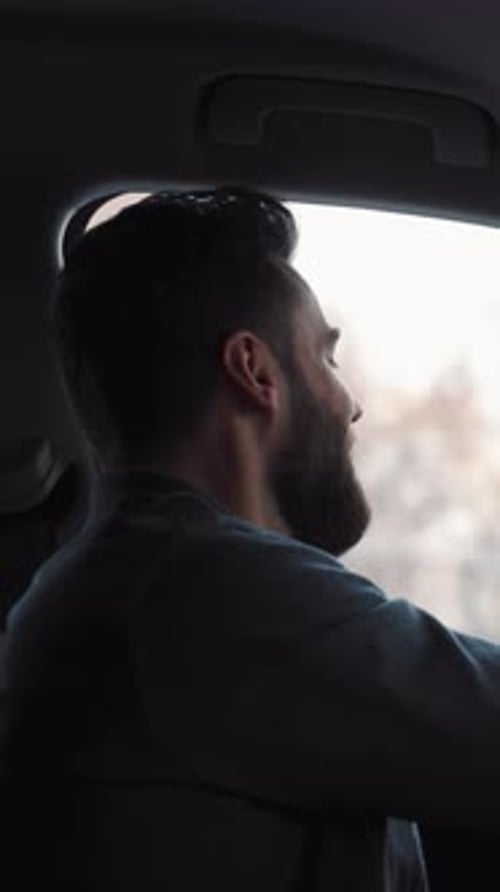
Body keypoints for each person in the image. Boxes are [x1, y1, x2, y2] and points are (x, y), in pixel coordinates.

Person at [6, 188, 500, 892]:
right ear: (256, 372)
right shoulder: (202, 590)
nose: (349, 401)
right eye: (326, 359)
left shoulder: (124, 575)